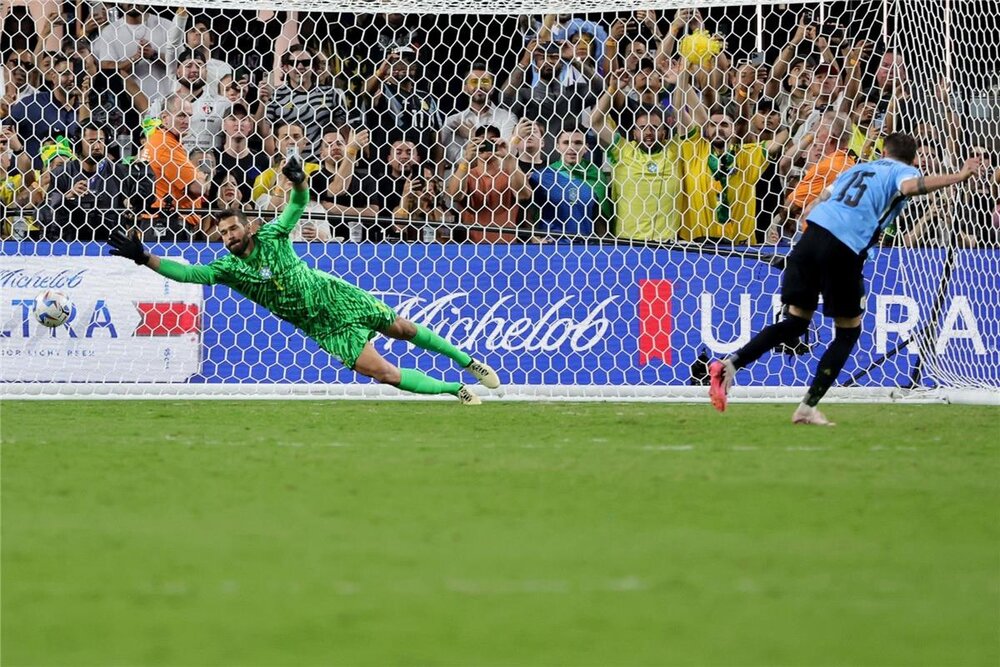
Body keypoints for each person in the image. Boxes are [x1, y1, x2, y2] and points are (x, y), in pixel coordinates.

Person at [107, 152, 500, 404]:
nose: (228, 237)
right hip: (321, 327)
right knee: (385, 374)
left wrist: (298, 181)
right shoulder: (227, 269)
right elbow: (188, 273)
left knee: (403, 329)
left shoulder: (273, 235)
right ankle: (454, 390)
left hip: (336, 295)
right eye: (222, 233)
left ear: (249, 226)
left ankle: (468, 363)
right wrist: (145, 257)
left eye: (233, 229)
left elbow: (297, 205)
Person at [708, 134, 984, 425]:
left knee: (796, 322)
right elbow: (910, 187)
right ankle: (807, 408)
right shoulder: (903, 171)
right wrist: (960, 175)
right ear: (914, 159)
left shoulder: (857, 169)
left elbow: (816, 203)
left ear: (883, 151)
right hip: (843, 248)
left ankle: (730, 365)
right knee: (848, 332)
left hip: (810, 239)